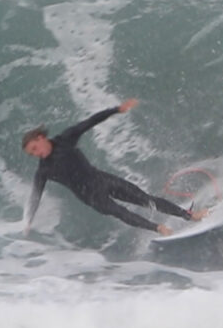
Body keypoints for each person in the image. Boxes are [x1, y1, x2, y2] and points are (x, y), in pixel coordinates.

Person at [22, 99, 207, 236]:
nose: (35, 153)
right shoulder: (44, 170)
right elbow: (35, 195)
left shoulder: (65, 139)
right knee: (121, 213)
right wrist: (28, 221)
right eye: (32, 153)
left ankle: (190, 216)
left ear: (41, 138)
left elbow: (90, 122)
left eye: (34, 148)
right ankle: (159, 228)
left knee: (145, 199)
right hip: (91, 196)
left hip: (101, 179)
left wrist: (117, 109)